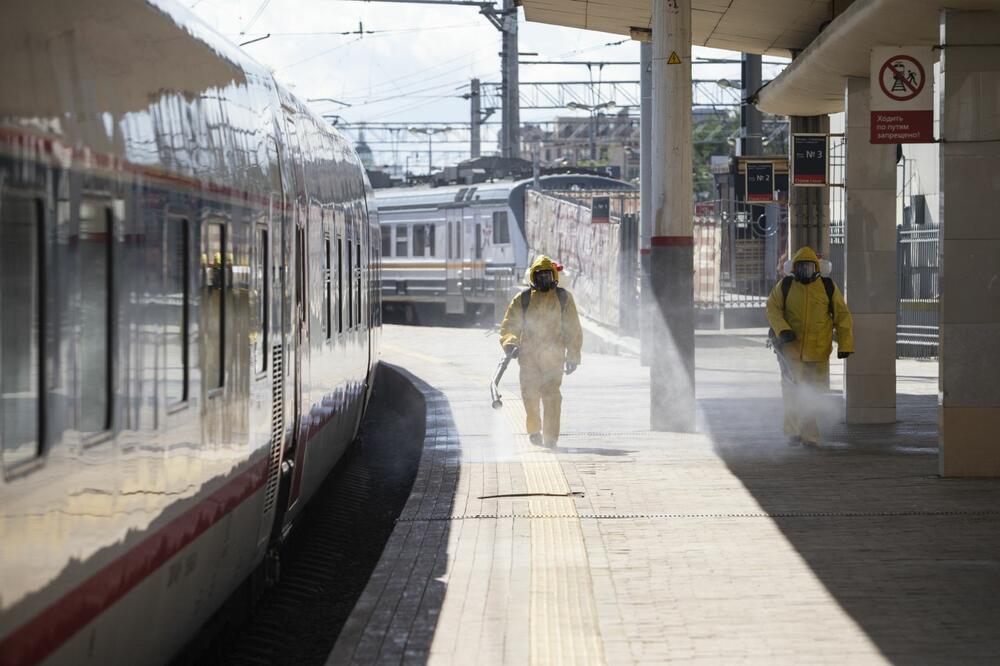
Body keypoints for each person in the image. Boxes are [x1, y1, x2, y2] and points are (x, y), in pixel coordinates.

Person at [766, 246, 854, 447]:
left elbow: (842, 316)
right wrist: (782, 329)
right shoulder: (786, 285)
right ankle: (793, 432)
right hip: (791, 350)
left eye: (808, 267)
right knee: (792, 390)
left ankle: (810, 436)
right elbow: (772, 308)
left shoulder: (827, 286)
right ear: (794, 268)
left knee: (814, 394)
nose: (805, 271)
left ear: (817, 268)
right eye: (801, 268)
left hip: (818, 352)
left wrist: (846, 343)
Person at [499, 255, 583, 448]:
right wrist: (510, 343)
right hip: (528, 358)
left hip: (554, 359)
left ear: (554, 276)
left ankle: (550, 438)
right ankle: (534, 430)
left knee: (552, 397)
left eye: (547, 276)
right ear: (533, 278)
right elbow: (510, 325)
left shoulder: (563, 298)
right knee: (530, 396)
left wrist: (573, 355)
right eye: (540, 276)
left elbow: (573, 329)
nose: (544, 280)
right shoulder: (523, 299)